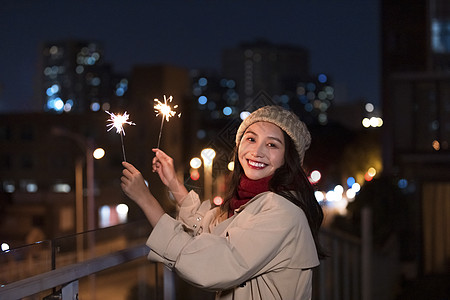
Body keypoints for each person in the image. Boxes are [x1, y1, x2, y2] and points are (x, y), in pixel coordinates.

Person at [121, 105, 325, 300]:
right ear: (238, 146)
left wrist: (145, 198)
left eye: (272, 144)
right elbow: (207, 230)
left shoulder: (282, 211)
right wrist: (174, 183)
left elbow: (213, 264)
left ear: (288, 158)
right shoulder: (250, 201)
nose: (257, 151)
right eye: (251, 139)